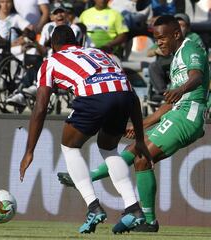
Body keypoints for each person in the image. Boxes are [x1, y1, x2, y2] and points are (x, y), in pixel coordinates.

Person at [58, 14, 210, 232]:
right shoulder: (177, 56)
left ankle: (87, 179)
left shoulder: (190, 48)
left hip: (187, 115)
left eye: (162, 38)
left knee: (140, 155)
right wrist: (140, 125)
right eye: (156, 39)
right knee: (138, 155)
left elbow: (196, 76)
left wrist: (180, 89)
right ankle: (147, 220)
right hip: (177, 113)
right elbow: (169, 104)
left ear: (176, 34)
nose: (159, 43)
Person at [19, 25, 152, 234]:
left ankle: (93, 207)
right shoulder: (101, 53)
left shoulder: (51, 61)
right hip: (124, 96)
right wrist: (140, 139)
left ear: (53, 46)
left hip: (94, 96)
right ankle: (134, 208)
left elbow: (41, 106)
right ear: (78, 43)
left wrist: (29, 151)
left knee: (70, 147)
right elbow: (132, 97)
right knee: (109, 148)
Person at [5, 3, 82, 107]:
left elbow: (71, 49)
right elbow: (42, 51)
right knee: (35, 63)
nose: (59, 15)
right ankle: (21, 93)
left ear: (67, 14)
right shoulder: (48, 27)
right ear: (51, 17)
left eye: (62, 12)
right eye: (56, 13)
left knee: (44, 65)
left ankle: (29, 91)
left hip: (67, 62)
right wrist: (35, 42)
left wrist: (51, 42)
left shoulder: (74, 28)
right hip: (48, 60)